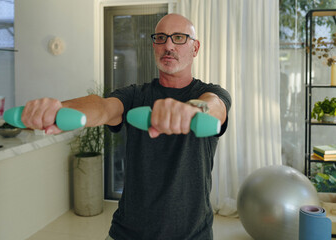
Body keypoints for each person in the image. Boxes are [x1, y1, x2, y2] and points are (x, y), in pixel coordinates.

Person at [21, 14, 231, 240]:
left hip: (192, 235)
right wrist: (59, 109)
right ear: (154, 46)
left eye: (178, 37)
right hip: (127, 233)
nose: (168, 45)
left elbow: (216, 108)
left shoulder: (210, 94)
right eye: (161, 38)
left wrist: (194, 110)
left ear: (195, 47)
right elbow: (102, 107)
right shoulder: (134, 95)